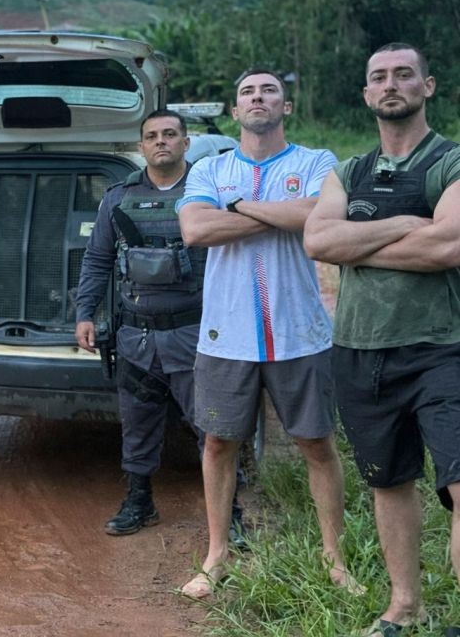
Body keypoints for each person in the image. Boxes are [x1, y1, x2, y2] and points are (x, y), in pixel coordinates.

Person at [176, 69, 359, 598]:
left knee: (318, 444)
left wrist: (233, 207)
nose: (258, 98)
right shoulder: (210, 167)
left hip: (300, 332)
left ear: (288, 106)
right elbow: (195, 230)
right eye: (248, 93)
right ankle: (217, 555)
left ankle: (335, 556)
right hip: (225, 334)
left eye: (269, 90)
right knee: (217, 443)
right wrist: (284, 216)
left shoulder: (317, 162)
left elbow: (321, 215)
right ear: (235, 111)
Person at [304, 43, 460, 636]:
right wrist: (403, 225)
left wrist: (360, 238)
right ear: (367, 94)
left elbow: (448, 246)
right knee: (389, 481)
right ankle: (404, 606)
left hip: (442, 346)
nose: (391, 84)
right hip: (360, 349)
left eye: (403, 74)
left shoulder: (450, 162)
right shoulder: (348, 171)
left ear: (428, 85)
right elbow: (319, 243)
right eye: (379, 77)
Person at [75, 109, 245, 545]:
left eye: (170, 134)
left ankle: (232, 514)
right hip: (137, 336)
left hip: (198, 333)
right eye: (152, 136)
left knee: (212, 425)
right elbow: (96, 261)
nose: (161, 142)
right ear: (141, 146)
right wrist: (85, 313)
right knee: (137, 422)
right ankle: (140, 501)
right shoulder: (118, 197)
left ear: (186, 143)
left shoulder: (208, 193)